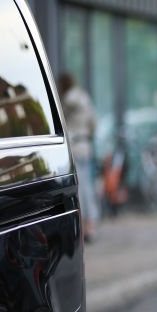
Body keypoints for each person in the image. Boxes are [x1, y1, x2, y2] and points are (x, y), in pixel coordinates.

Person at [58, 73, 101, 242]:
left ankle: (82, 226)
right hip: (85, 146)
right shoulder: (84, 98)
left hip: (73, 147)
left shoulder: (66, 101)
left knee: (78, 188)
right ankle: (91, 224)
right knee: (88, 187)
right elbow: (94, 123)